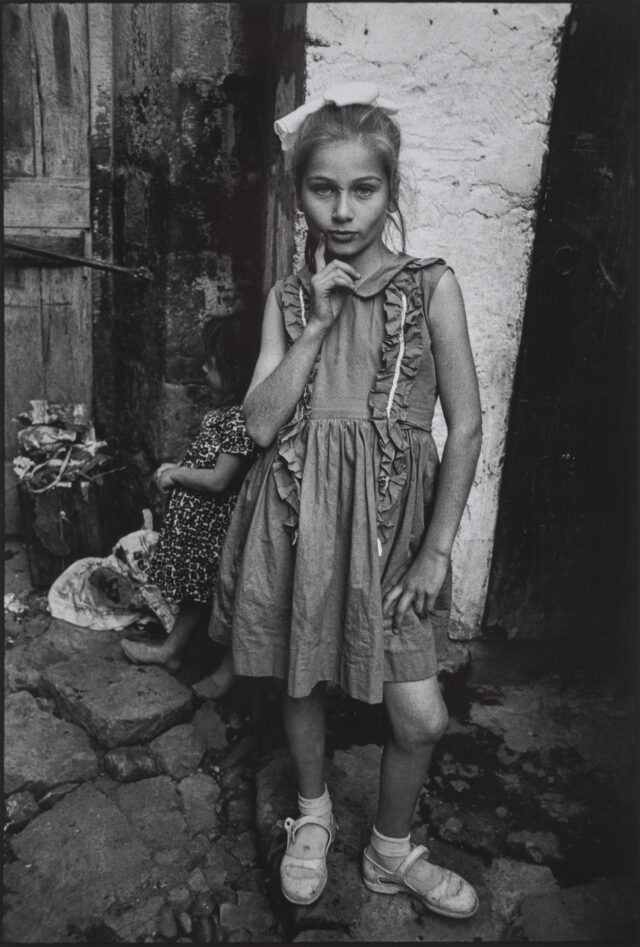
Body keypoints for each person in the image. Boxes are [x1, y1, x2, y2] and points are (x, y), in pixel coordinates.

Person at [209, 82, 483, 917]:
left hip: (396, 534)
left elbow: (465, 426)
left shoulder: (431, 288)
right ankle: (315, 814)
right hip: (298, 520)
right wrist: (319, 324)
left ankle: (391, 851)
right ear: (300, 195)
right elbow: (257, 426)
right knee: (300, 679)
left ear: (389, 194)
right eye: (323, 188)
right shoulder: (290, 300)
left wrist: (436, 551)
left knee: (422, 716)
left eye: (363, 189)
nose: (343, 209)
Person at [121, 315, 257, 699]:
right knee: (199, 594)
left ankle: (227, 672)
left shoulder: (241, 419)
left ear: (234, 370)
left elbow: (219, 479)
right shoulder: (227, 414)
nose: (202, 369)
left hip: (219, 535)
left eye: (210, 364)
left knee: (225, 598)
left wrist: (177, 475)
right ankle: (172, 651)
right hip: (203, 534)